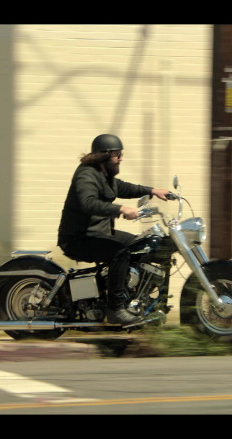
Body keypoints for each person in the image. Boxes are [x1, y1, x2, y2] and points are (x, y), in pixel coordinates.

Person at [57, 134, 170, 325]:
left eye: (120, 154)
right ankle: (115, 310)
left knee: (139, 245)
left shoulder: (103, 175)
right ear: (104, 155)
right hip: (78, 238)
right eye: (117, 154)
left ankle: (134, 299)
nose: (121, 158)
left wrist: (152, 191)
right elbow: (88, 203)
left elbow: (122, 187)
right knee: (120, 253)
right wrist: (120, 209)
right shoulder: (86, 174)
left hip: (99, 232)